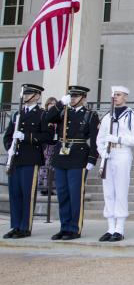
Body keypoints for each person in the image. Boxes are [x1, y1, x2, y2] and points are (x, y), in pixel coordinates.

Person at [45, 85, 99, 241]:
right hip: (61, 157)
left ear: (83, 98)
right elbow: (47, 117)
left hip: (78, 157)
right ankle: (64, 227)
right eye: (71, 96)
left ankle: (74, 228)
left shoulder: (90, 115)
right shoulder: (63, 111)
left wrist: (92, 159)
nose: (73, 99)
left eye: (76, 97)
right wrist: (60, 104)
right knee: (62, 193)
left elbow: (95, 140)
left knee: (75, 194)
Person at [95, 86, 134, 242]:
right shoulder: (107, 116)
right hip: (108, 155)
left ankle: (119, 228)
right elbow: (100, 138)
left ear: (126, 97)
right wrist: (102, 151)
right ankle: (110, 227)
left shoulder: (133, 116)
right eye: (114, 95)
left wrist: (118, 139)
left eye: (118, 94)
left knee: (121, 190)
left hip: (122, 152)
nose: (115, 97)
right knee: (108, 191)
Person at [3, 84, 51, 239]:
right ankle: (15, 225)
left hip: (31, 158)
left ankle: (25, 227)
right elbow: (7, 136)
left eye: (29, 94)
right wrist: (10, 147)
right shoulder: (18, 113)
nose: (25, 96)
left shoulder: (42, 115)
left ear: (37, 96)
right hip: (16, 158)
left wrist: (27, 136)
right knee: (14, 193)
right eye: (25, 93)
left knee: (27, 193)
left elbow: (47, 137)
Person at [39, 97, 58, 195]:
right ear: (47, 104)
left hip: (55, 144)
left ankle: (50, 187)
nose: (52, 105)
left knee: (52, 167)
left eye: (54, 104)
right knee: (45, 166)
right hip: (46, 144)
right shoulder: (44, 114)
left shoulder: (57, 116)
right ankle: (44, 187)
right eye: (50, 103)